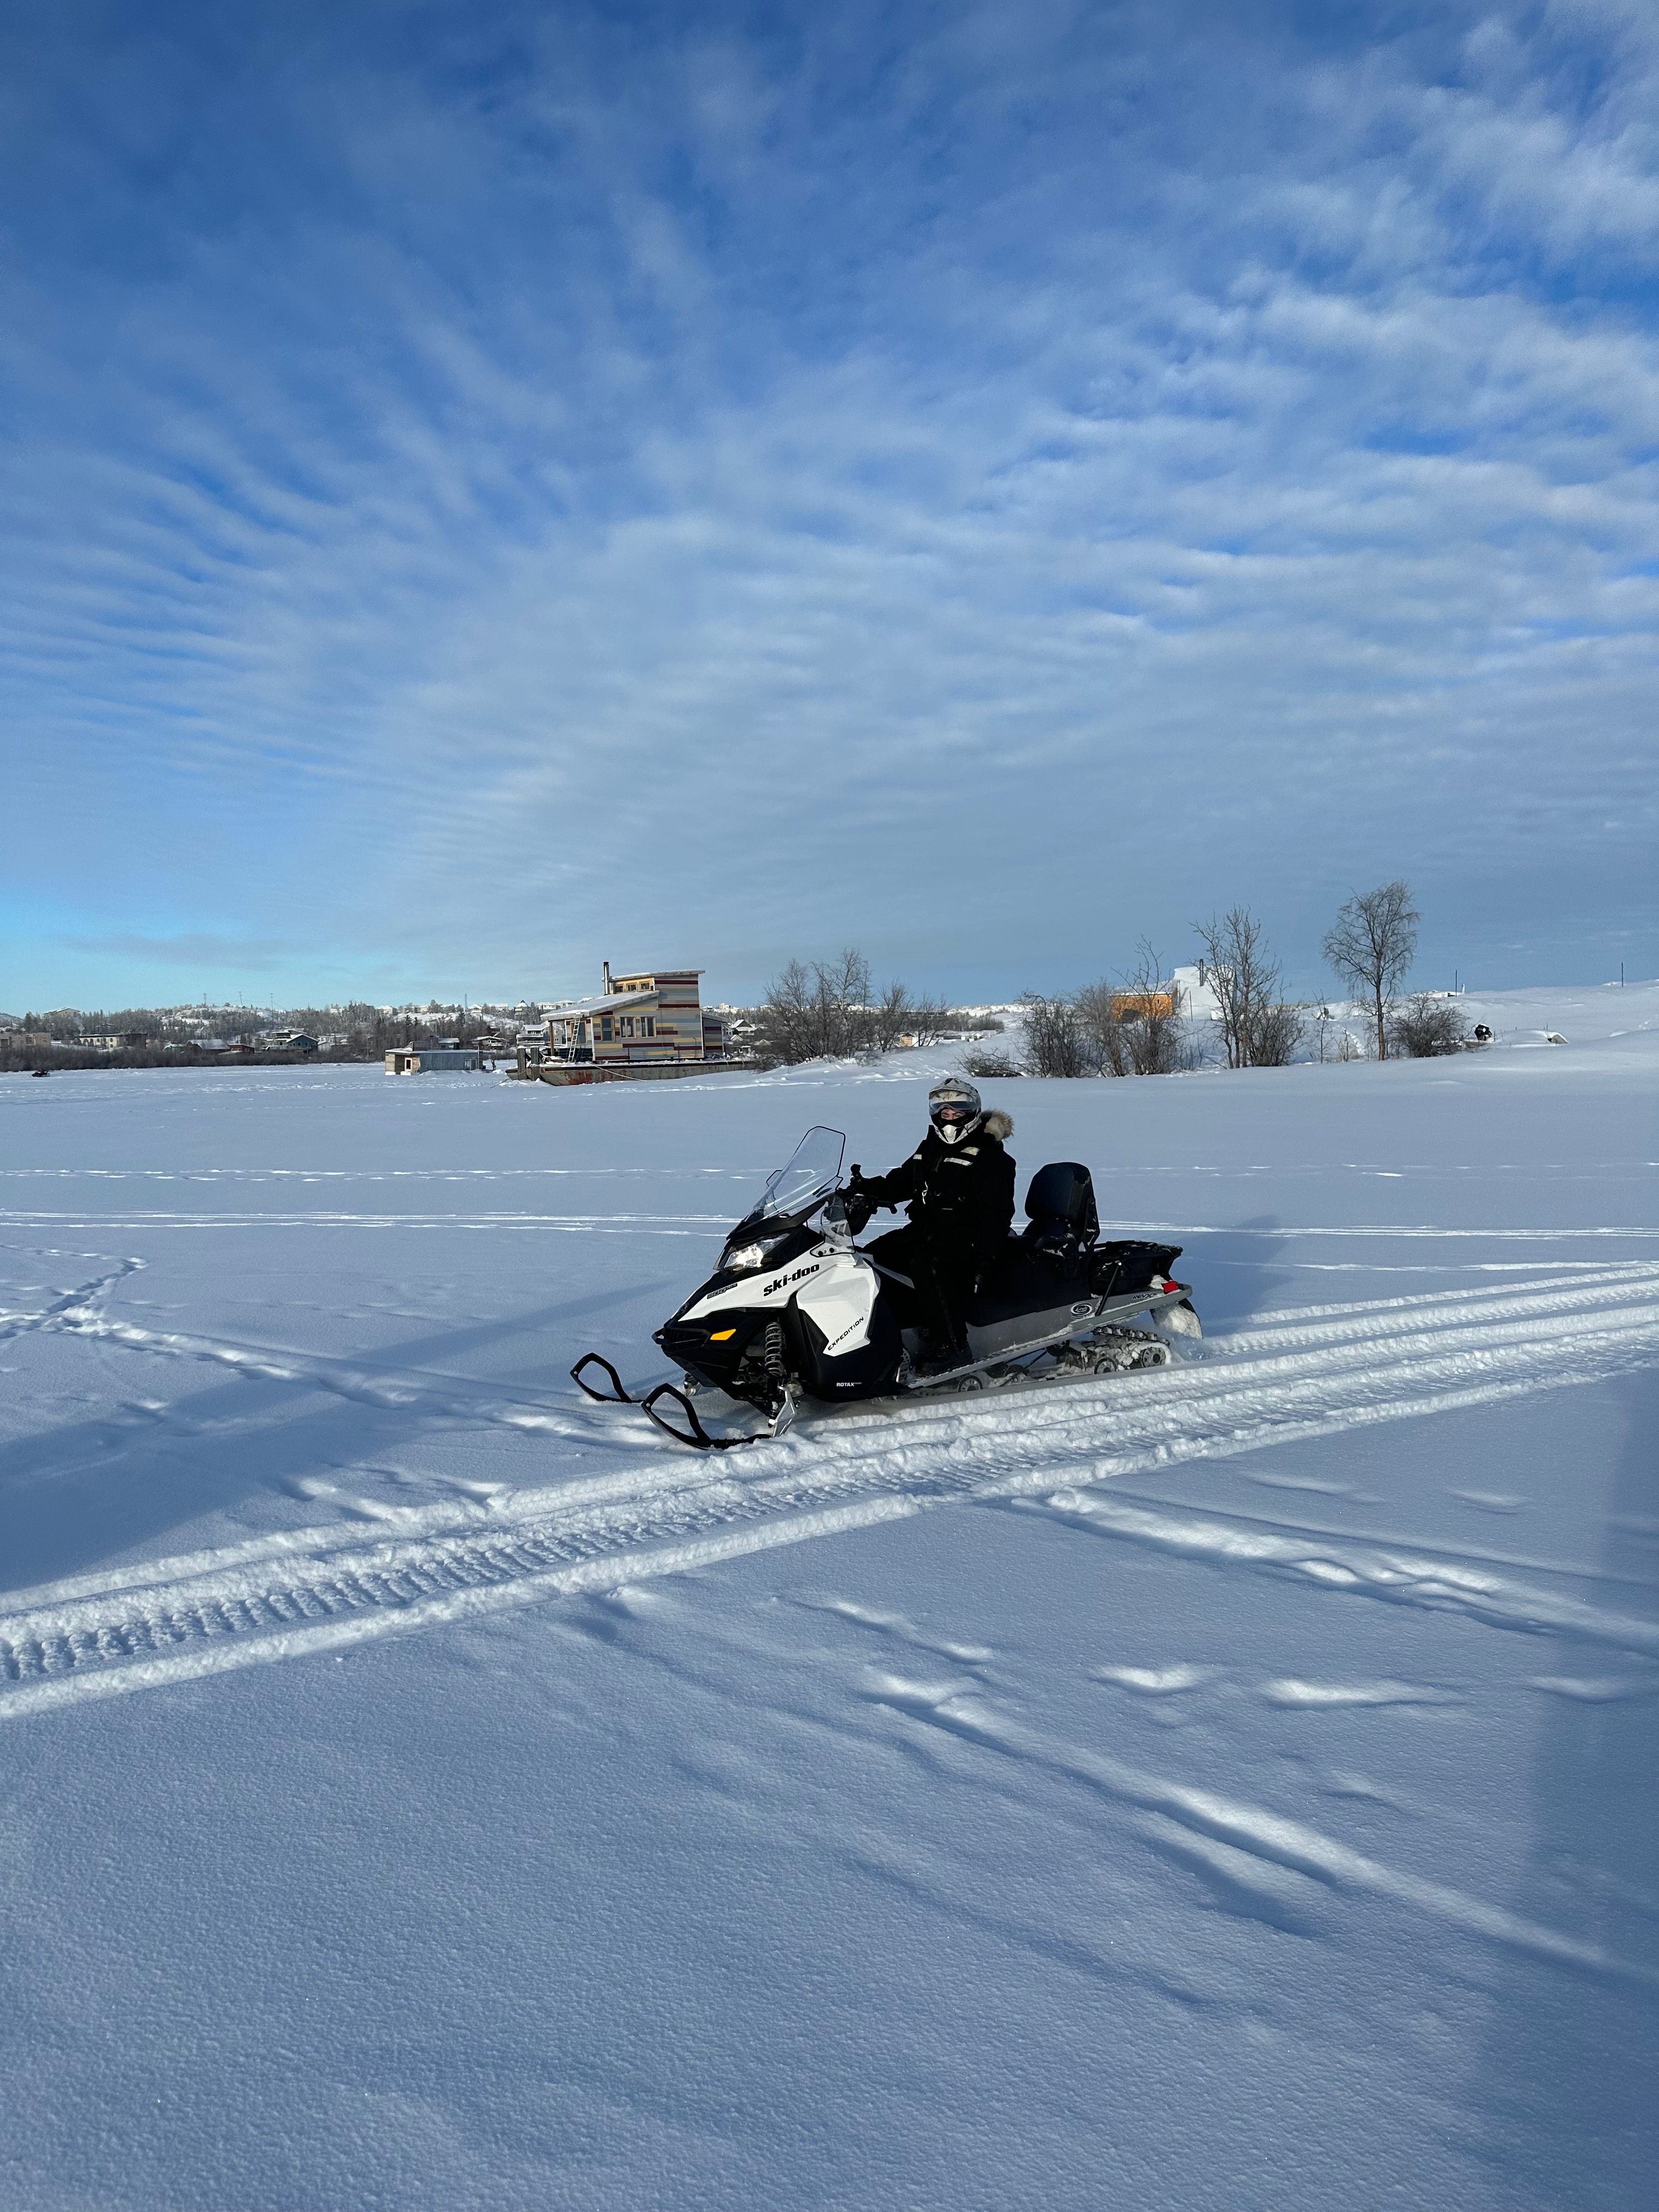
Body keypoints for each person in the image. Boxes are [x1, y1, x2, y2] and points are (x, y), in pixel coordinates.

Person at [844, 1076, 1015, 1371]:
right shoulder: (931, 1146)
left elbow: (997, 1213)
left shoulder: (989, 1157)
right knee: (874, 1256)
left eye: (957, 1111)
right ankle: (896, 1330)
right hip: (928, 1230)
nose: (949, 1118)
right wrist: (865, 1188)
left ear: (972, 1113)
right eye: (944, 1111)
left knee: (929, 1265)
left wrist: (985, 1259)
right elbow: (902, 1180)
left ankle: (953, 1345)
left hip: (968, 1235)